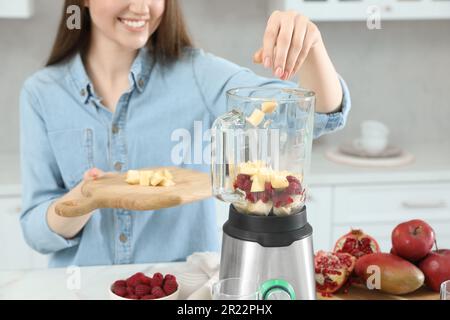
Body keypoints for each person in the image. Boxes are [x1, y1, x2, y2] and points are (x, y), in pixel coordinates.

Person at [20, 0, 351, 267]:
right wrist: (83, 200)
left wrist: (312, 46)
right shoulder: (42, 92)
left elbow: (310, 116)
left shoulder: (198, 74)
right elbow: (36, 232)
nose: (141, 7)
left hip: (186, 292)